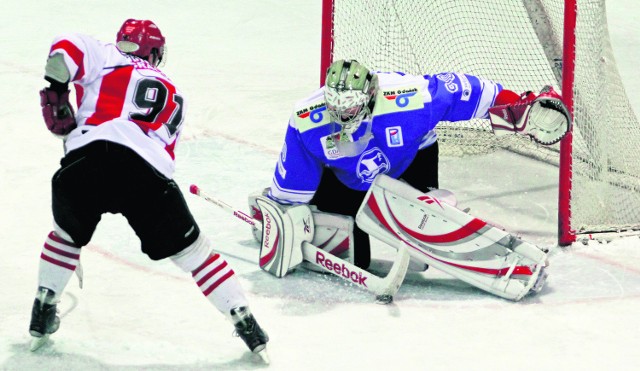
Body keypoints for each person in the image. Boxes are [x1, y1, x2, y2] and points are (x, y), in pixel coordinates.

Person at [29, 19, 268, 355]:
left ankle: (43, 304)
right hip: (144, 173)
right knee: (195, 253)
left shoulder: (106, 53)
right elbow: (165, 156)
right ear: (156, 52)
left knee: (66, 236)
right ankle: (244, 321)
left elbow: (65, 47)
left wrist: (57, 87)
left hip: (87, 161)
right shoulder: (173, 91)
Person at [259, 59, 570, 270]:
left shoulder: (411, 98)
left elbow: (470, 90)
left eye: (351, 106)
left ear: (369, 97)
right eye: (336, 106)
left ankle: (428, 198)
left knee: (426, 228)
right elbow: (293, 188)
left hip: (409, 161)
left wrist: (516, 106)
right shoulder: (307, 120)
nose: (343, 114)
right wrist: (281, 216)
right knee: (357, 258)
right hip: (346, 181)